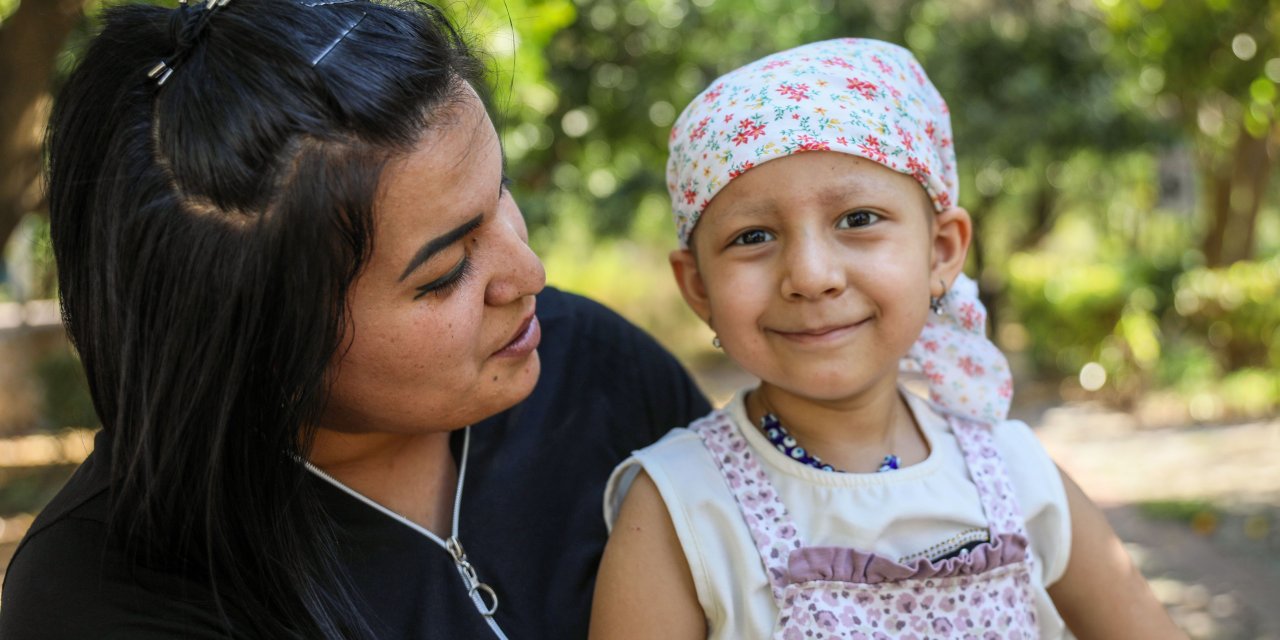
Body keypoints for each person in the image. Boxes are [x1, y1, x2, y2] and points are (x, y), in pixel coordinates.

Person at [0, 1, 709, 638]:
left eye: (500, 191)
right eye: (445, 272)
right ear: (255, 342)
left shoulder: (593, 367)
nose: (530, 275)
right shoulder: (109, 596)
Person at [590, 38, 1184, 639]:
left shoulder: (1015, 473)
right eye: (753, 237)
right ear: (698, 287)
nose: (812, 276)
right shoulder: (681, 509)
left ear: (941, 251)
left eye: (858, 220)